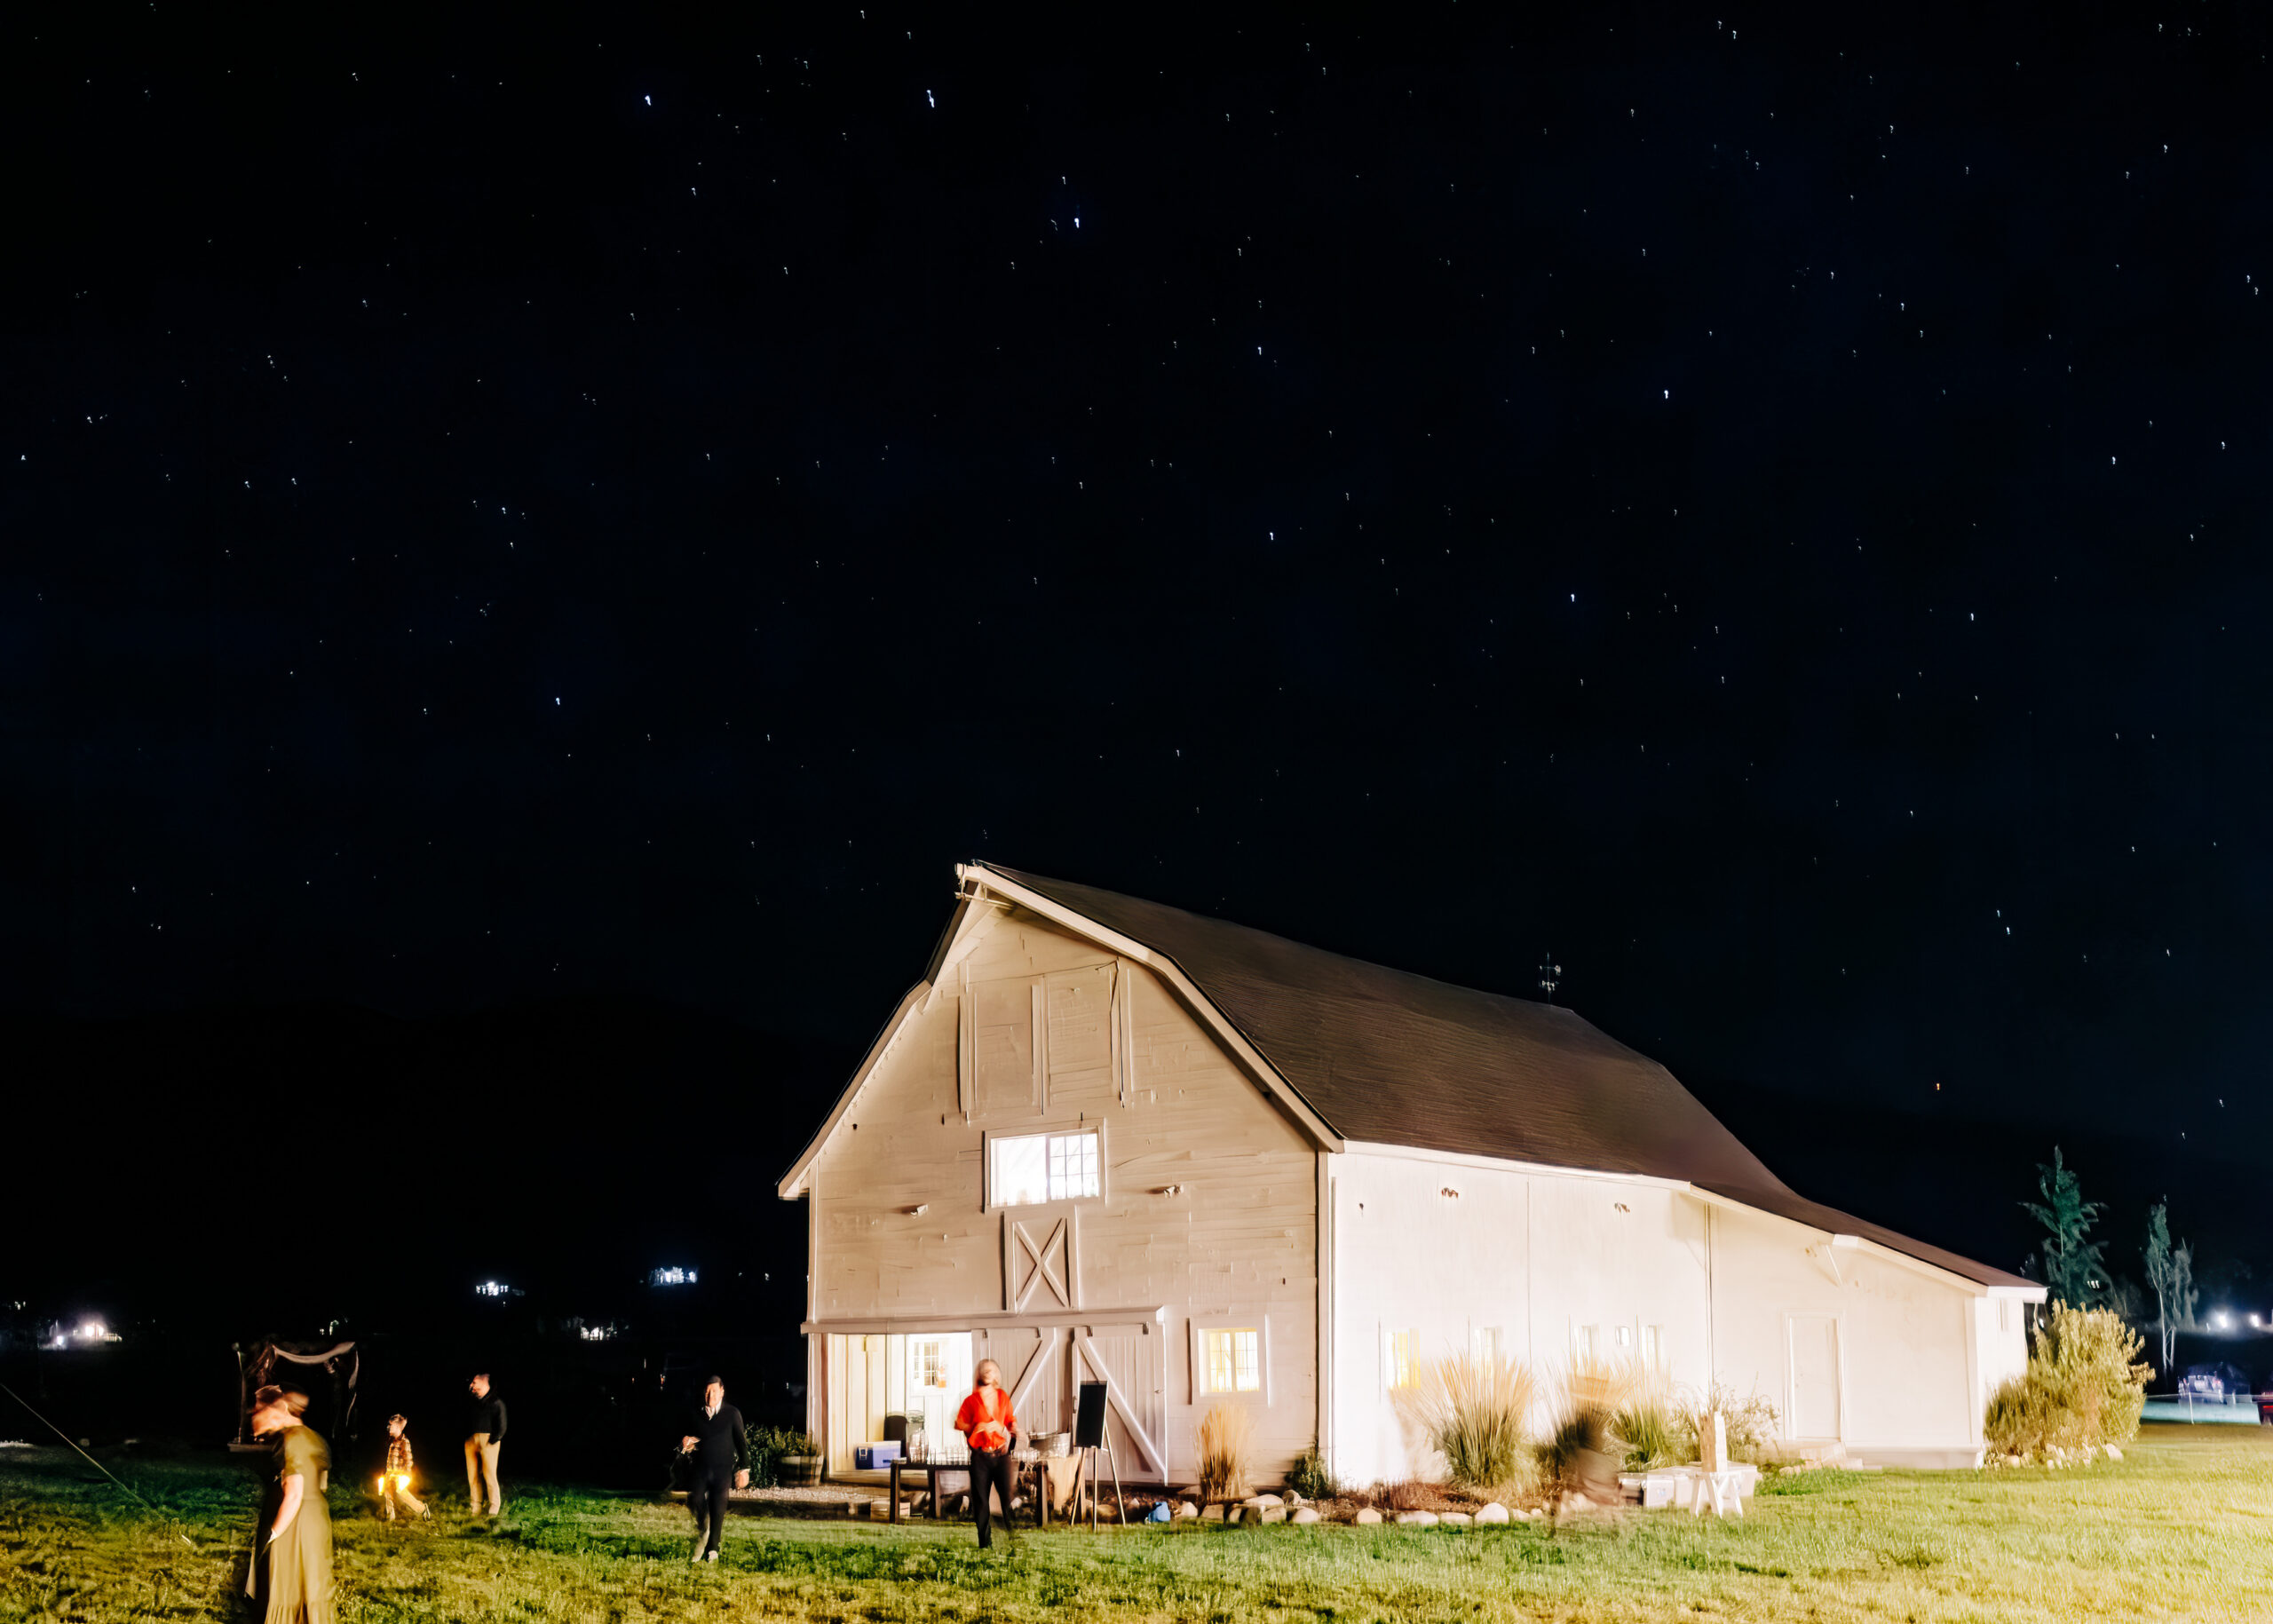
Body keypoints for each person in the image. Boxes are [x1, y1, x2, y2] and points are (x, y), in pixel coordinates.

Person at [244, 1386, 334, 1624]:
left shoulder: (289, 1440)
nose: (254, 1417)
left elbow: (294, 1494)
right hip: (317, 1521)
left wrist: (271, 1536)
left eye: (258, 1411)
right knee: (311, 1587)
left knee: (287, 1588)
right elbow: (321, 1483)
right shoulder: (316, 1439)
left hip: (294, 1524)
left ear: (278, 1409)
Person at [677, 1375, 750, 1563]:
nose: (710, 1396)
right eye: (707, 1392)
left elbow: (742, 1444)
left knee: (718, 1506)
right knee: (695, 1498)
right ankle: (704, 1528)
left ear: (722, 1391)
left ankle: (713, 1549)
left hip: (722, 1469)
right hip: (701, 1468)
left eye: (714, 1391)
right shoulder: (696, 1414)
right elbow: (690, 1443)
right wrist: (687, 1445)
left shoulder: (732, 1414)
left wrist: (744, 1469)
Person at [953, 1359, 1021, 1549]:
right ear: (979, 1374)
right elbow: (958, 1424)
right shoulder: (971, 1401)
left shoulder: (1002, 1398)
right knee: (981, 1501)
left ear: (997, 1375)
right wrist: (978, 1426)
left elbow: (1010, 1422)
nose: (988, 1372)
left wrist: (1015, 1430)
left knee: (1006, 1497)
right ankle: (985, 1542)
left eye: (991, 1370)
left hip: (1000, 1456)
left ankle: (1012, 1537)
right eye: (985, 1370)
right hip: (980, 1457)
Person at [464, 1373, 507, 1516]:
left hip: (489, 1441)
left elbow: (502, 1425)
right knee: (473, 1476)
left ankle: (494, 1509)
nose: (471, 1386)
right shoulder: (472, 1403)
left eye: (474, 1383)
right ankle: (475, 1506)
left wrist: (494, 1439)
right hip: (471, 1441)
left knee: (489, 1476)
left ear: (484, 1382)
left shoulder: (496, 1403)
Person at [377, 1414, 429, 1522]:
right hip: (390, 1474)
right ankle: (390, 1516)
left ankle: (422, 1509)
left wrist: (407, 1474)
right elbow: (389, 1460)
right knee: (387, 1493)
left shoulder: (405, 1442)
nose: (389, 1428)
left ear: (397, 1427)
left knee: (402, 1494)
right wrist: (386, 1472)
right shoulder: (392, 1442)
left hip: (399, 1476)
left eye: (391, 1425)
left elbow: (408, 1460)